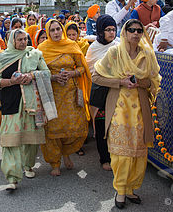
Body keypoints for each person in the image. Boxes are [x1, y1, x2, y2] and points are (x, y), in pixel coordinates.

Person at [93, 19, 161, 209]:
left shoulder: (147, 55)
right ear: (125, 32)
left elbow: (154, 81)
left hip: (140, 111)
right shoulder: (114, 53)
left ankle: (131, 188)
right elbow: (96, 76)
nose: (136, 33)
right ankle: (120, 190)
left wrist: (142, 82)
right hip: (119, 110)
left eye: (139, 30)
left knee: (139, 154)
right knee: (121, 154)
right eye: (131, 29)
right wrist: (120, 82)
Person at [0, 29, 49, 191]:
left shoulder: (35, 54)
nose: (23, 42)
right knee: (10, 140)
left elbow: (46, 73)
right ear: (12, 41)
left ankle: (28, 166)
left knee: (30, 140)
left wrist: (32, 76)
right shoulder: (4, 57)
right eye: (19, 40)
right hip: (11, 103)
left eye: (25, 39)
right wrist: (11, 81)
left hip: (31, 103)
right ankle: (12, 177)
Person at [37, 19, 91, 176]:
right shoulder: (42, 49)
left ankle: (66, 153)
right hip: (51, 93)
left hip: (70, 94)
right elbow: (37, 72)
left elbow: (82, 67)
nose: (55, 33)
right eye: (52, 30)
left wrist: (72, 73)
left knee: (71, 127)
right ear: (48, 32)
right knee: (52, 128)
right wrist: (53, 78)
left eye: (58, 29)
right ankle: (55, 162)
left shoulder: (71, 46)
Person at [85, 15, 119, 171]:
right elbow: (92, 70)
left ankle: (117, 156)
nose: (112, 33)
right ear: (100, 31)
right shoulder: (93, 49)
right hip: (100, 92)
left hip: (118, 91)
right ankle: (104, 158)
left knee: (116, 126)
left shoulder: (119, 45)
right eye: (108, 30)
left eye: (113, 29)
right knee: (101, 126)